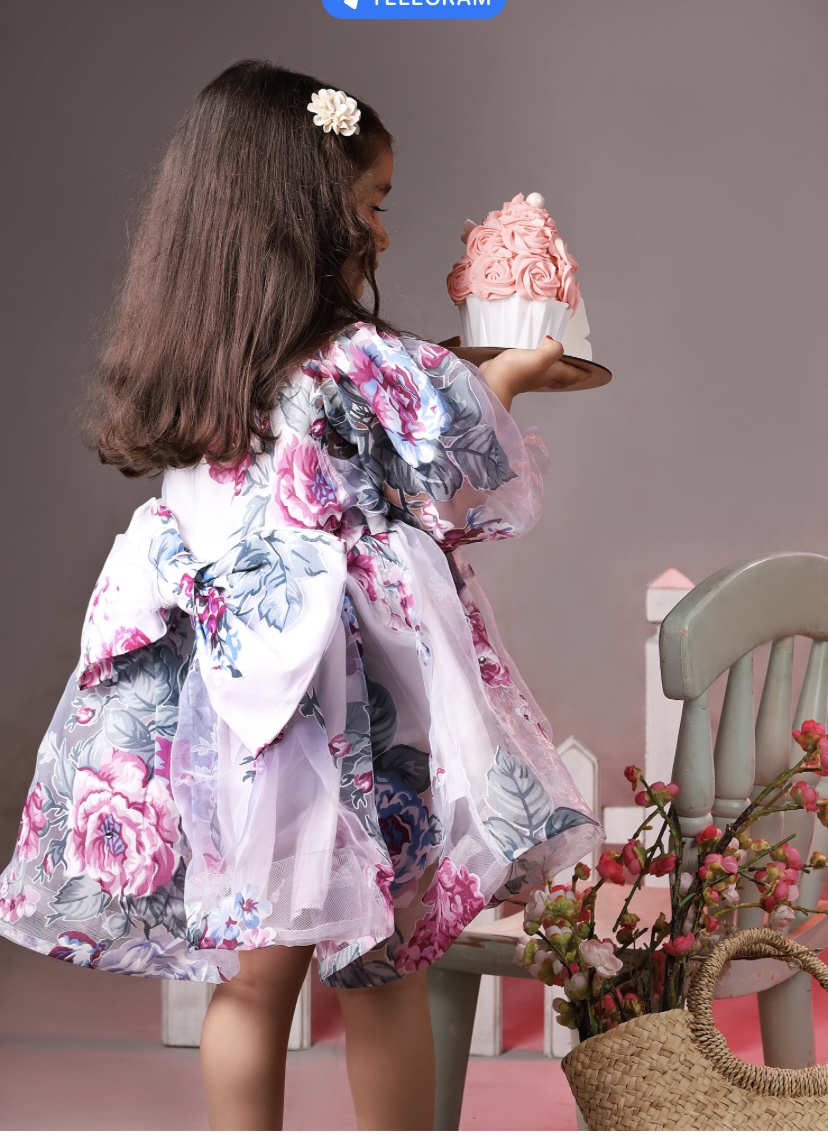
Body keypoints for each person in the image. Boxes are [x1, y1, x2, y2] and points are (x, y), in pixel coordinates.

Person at [0, 61, 604, 1130]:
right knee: (384, 969)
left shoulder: (197, 362)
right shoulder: (357, 360)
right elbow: (447, 451)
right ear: (305, 214)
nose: (382, 234)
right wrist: (508, 375)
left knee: (252, 980)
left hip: (232, 711)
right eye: (371, 206)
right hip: (352, 707)